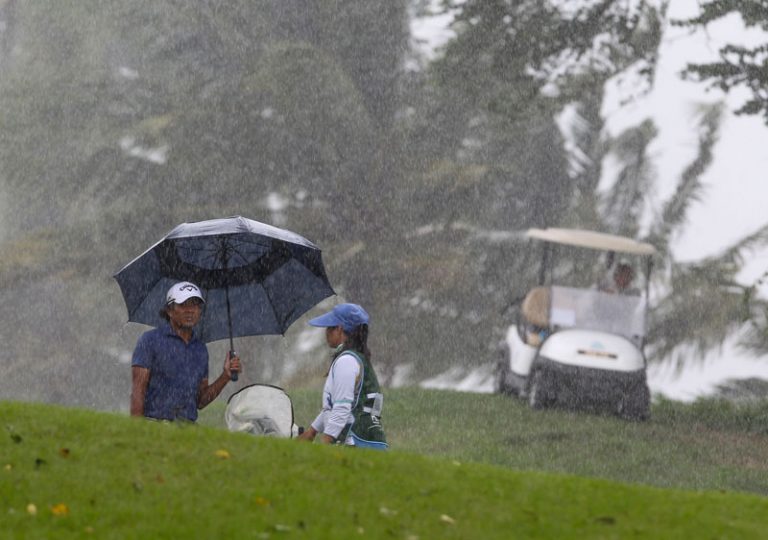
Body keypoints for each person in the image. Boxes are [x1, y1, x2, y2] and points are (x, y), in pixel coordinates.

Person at [130, 281, 241, 422]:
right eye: (183, 305)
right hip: (153, 426)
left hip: (187, 431)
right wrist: (136, 432)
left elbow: (200, 401)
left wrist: (225, 376)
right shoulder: (150, 340)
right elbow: (138, 392)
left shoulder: (200, 349)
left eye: (195, 304)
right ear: (169, 310)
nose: (190, 310)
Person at [297, 303, 388, 449]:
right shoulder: (358, 358)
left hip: (356, 441)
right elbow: (334, 406)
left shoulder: (346, 361)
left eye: (329, 327)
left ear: (339, 329)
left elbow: (342, 408)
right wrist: (312, 432)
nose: (326, 332)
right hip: (370, 439)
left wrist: (324, 444)